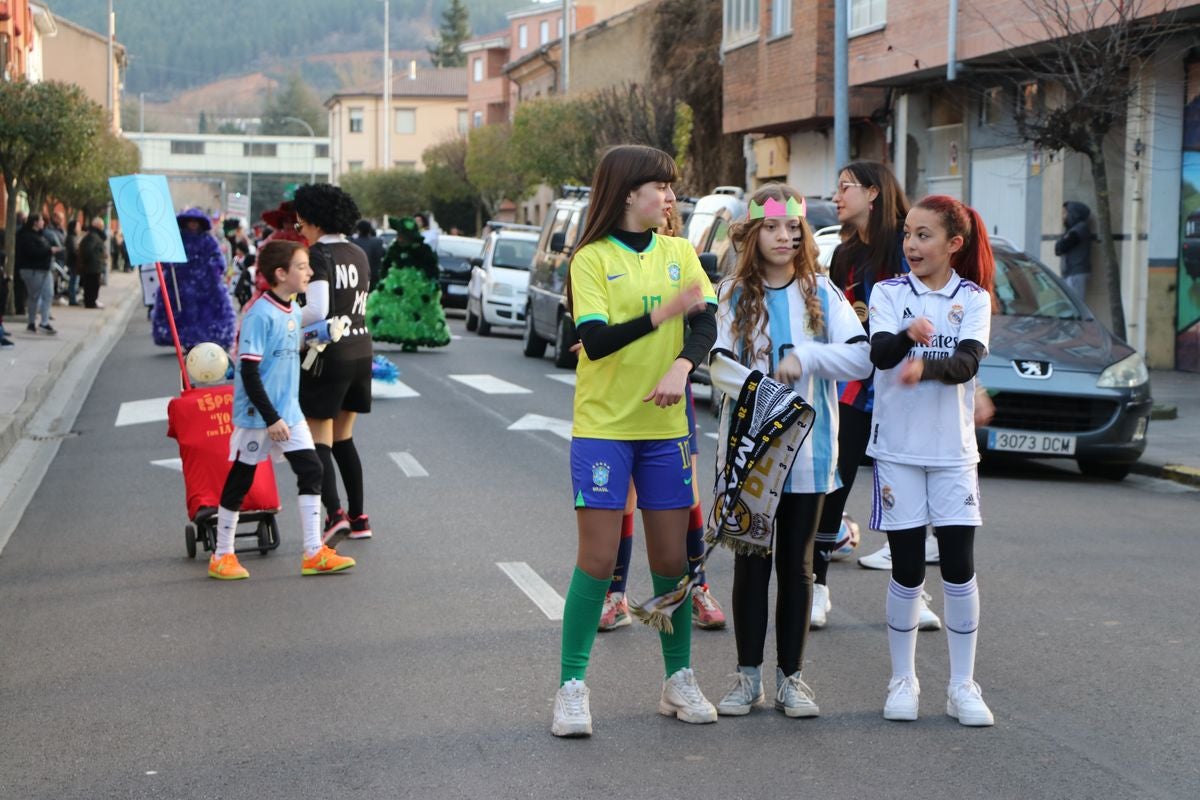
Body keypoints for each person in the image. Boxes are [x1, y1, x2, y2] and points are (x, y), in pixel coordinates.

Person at [551, 144, 719, 738]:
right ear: (628, 193)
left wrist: (681, 366)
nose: (670, 198)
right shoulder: (591, 259)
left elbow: (705, 320)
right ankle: (572, 687)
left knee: (673, 563)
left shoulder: (680, 252)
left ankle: (678, 681)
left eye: (672, 188)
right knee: (598, 561)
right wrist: (659, 314)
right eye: (661, 187)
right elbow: (594, 341)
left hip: (665, 430)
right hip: (604, 428)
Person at [708, 184, 872, 719]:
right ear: (753, 234)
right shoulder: (733, 294)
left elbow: (861, 360)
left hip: (811, 455)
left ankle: (792, 679)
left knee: (798, 567)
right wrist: (764, 388)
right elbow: (719, 365)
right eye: (774, 228)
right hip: (752, 455)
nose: (785, 237)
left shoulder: (823, 294)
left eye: (793, 228)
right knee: (752, 564)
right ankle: (747, 677)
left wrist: (808, 359)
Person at [868, 194, 996, 726]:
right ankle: (903, 680)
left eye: (924, 235)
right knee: (906, 567)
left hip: (952, 454)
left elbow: (967, 363)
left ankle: (962, 685)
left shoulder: (975, 299)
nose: (912, 245)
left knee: (960, 568)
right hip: (897, 449)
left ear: (953, 244)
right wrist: (905, 337)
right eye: (908, 235)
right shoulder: (888, 292)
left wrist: (928, 365)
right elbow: (878, 354)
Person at [815, 161, 941, 631]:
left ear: (872, 193)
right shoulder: (844, 255)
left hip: (904, 378)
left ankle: (914, 594)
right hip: (855, 381)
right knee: (836, 478)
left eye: (844, 187)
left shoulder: (903, 245)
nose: (836, 195)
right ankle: (816, 586)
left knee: (905, 483)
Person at [207, 239, 356, 581]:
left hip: (289, 411)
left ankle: (313, 552)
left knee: (312, 469)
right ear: (280, 273)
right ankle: (221, 554)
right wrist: (270, 417)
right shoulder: (259, 313)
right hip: (260, 414)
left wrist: (316, 339)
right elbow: (248, 371)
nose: (309, 273)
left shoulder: (291, 309)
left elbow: (288, 350)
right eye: (302, 267)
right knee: (241, 478)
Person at [292, 183, 375, 543]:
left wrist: (290, 320)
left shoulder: (317, 256)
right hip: (361, 349)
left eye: (301, 224)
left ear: (313, 221)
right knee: (345, 437)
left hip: (329, 354)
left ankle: (334, 514)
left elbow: (317, 310)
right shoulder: (358, 252)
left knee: (317, 438)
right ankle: (359, 518)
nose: (300, 230)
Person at [151, 209, 236, 349]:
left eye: (196, 222)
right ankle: (185, 339)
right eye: (190, 222)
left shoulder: (208, 240)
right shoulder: (177, 240)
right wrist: (170, 264)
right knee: (184, 313)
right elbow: (165, 261)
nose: (193, 225)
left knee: (205, 313)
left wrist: (213, 269)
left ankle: (206, 338)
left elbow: (218, 258)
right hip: (181, 284)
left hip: (205, 284)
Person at [364, 216, 450, 351]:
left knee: (413, 312)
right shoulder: (395, 248)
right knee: (391, 310)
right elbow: (386, 264)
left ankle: (412, 339)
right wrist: (383, 279)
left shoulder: (423, 249)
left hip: (417, 287)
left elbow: (431, 267)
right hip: (395, 283)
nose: (400, 238)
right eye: (399, 235)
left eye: (402, 235)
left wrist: (433, 281)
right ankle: (389, 332)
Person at [16, 213, 59, 334]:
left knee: (48, 294)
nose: (43, 222)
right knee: (34, 296)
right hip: (32, 270)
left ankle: (44, 322)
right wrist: (49, 250)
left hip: (44, 270)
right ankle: (31, 323)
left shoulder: (40, 235)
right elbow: (32, 253)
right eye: (41, 220)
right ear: (35, 222)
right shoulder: (26, 236)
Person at [1055, 201, 1092, 303]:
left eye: (1065, 213)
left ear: (1073, 213)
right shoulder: (1071, 229)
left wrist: (1061, 242)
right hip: (1069, 273)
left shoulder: (1080, 228)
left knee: (1075, 304)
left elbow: (1062, 246)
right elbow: (1057, 249)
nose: (1062, 217)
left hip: (1076, 273)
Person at [77, 218, 109, 310]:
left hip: (94, 265)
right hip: (93, 266)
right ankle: (91, 303)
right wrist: (95, 258)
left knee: (93, 285)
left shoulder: (93, 235)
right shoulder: (93, 236)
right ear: (97, 226)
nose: (103, 227)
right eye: (101, 225)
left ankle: (91, 302)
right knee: (92, 285)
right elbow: (88, 250)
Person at [353, 219, 386, 288]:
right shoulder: (378, 242)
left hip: (358, 279)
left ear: (358, 229)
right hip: (375, 278)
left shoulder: (353, 243)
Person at [43, 211, 67, 305]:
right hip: (55, 258)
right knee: (53, 280)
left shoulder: (61, 230)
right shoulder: (50, 231)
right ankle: (54, 297)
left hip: (61, 257)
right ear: (55, 218)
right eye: (60, 219)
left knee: (59, 279)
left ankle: (56, 296)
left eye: (62, 219)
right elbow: (57, 244)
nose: (61, 221)